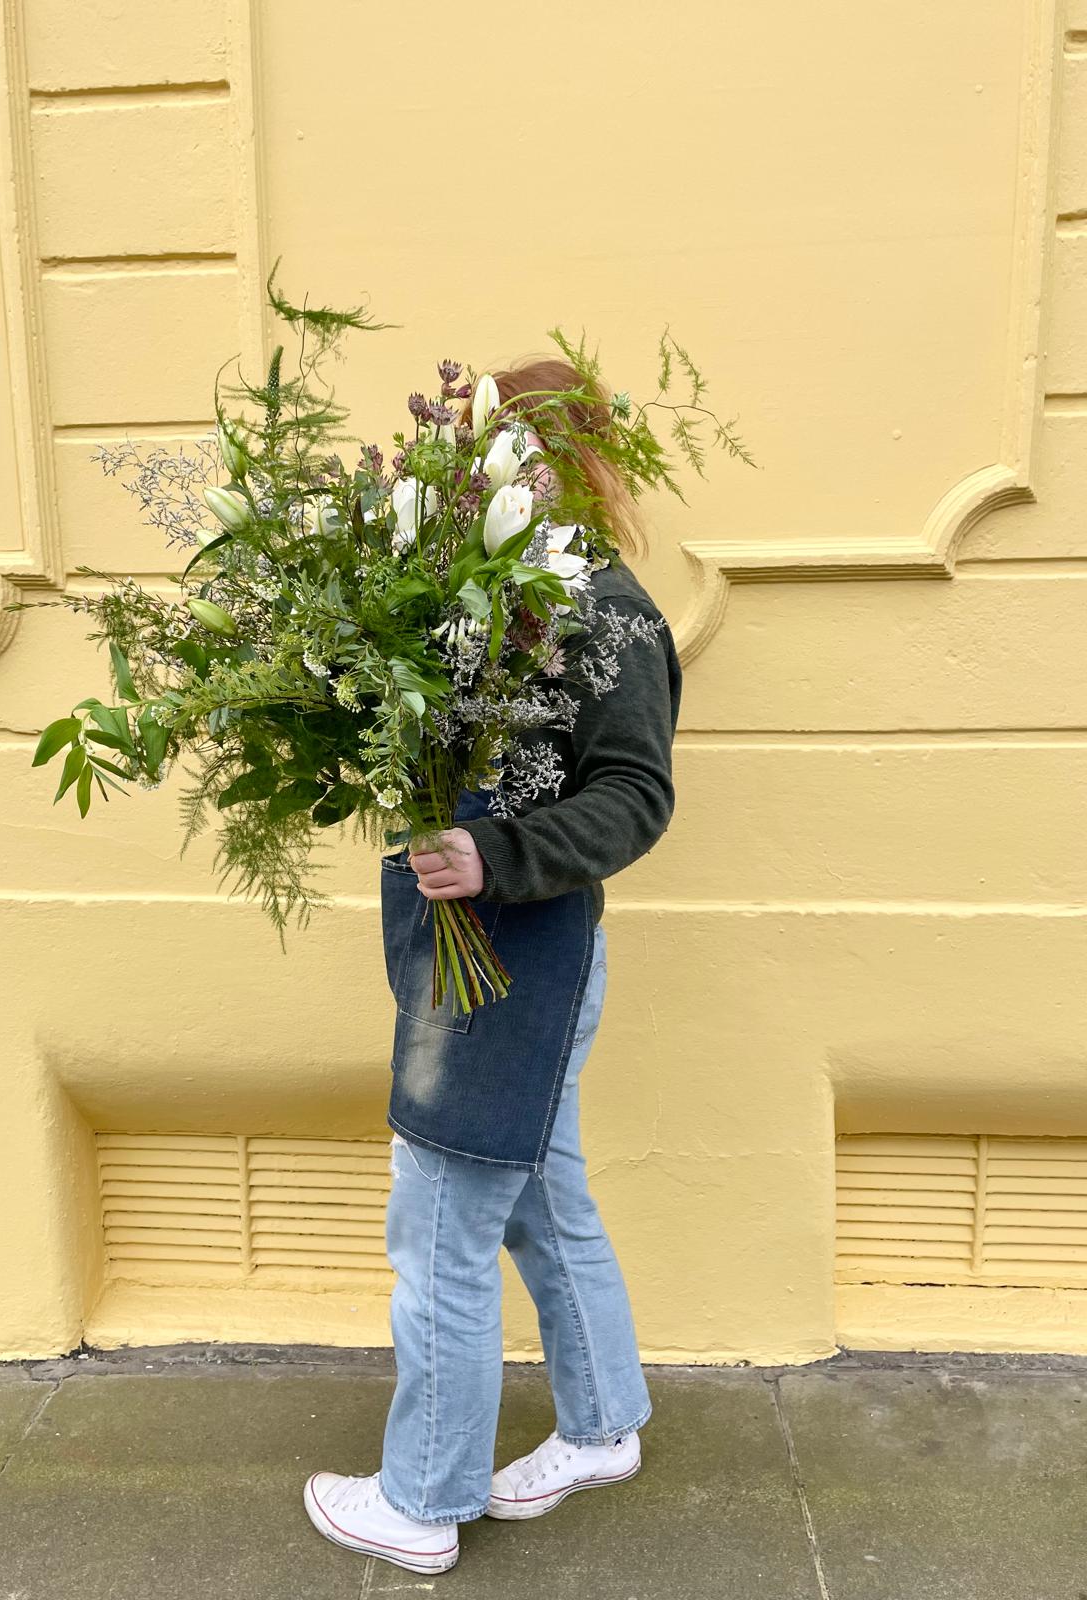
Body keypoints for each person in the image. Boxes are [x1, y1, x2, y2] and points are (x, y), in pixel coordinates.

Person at [304, 358, 684, 1575]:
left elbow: (637, 794)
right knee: (539, 1195)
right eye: (469, 445)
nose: (472, 464)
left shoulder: (611, 612)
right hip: (467, 955)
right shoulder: (469, 588)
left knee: (441, 1226)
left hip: (523, 963)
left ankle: (421, 1499)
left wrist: (497, 849)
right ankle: (603, 1424)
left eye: (498, 443)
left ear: (565, 458)